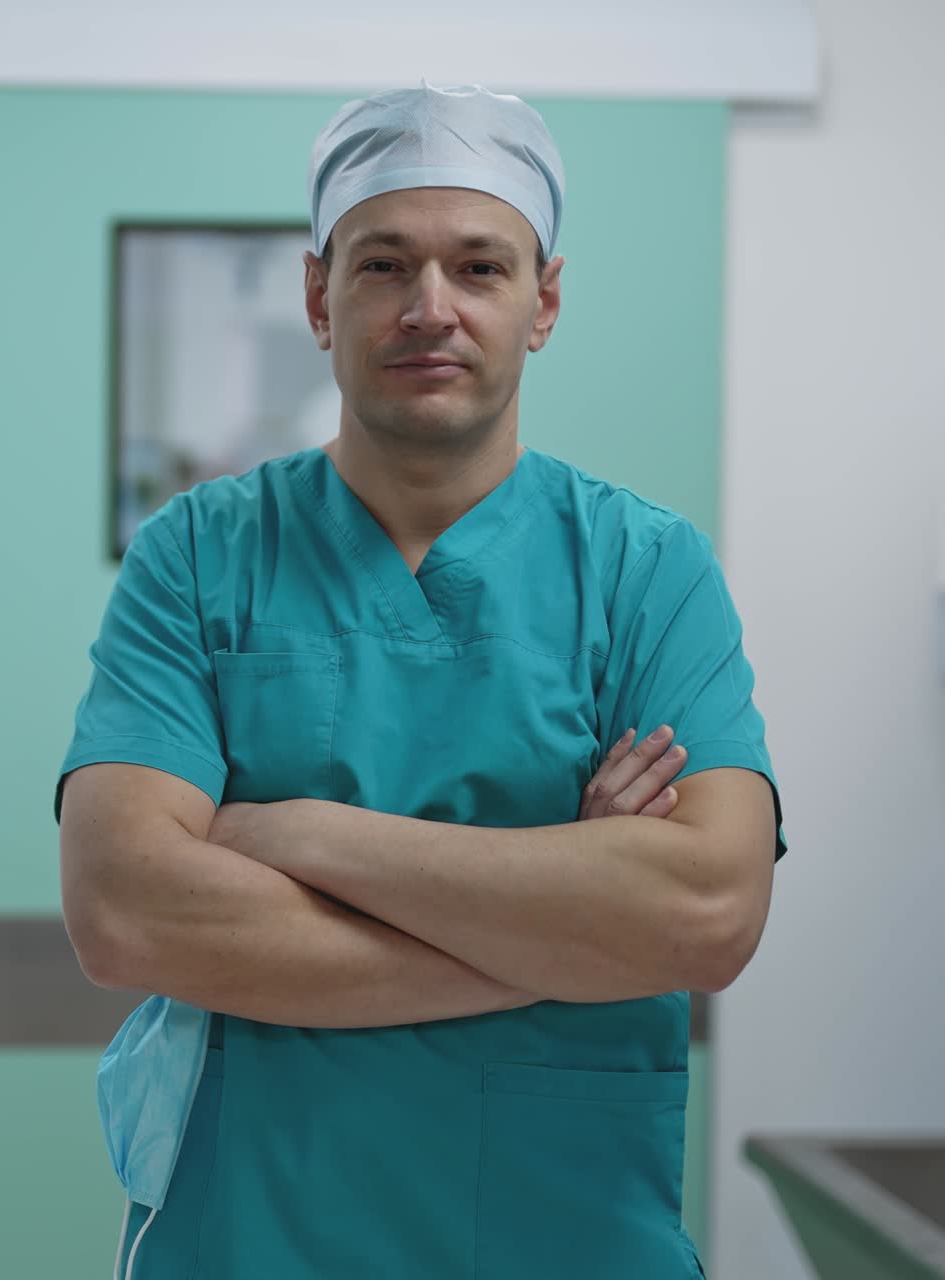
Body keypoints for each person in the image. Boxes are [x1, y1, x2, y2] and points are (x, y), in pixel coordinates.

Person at [55, 79, 786, 1279]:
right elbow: (125, 908)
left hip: (568, 1242)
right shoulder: (197, 556)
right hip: (251, 1242)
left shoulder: (643, 570)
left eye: (480, 268)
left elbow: (705, 909)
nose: (428, 307)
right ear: (316, 296)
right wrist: (569, 929)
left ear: (543, 300)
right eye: (383, 264)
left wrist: (289, 831)